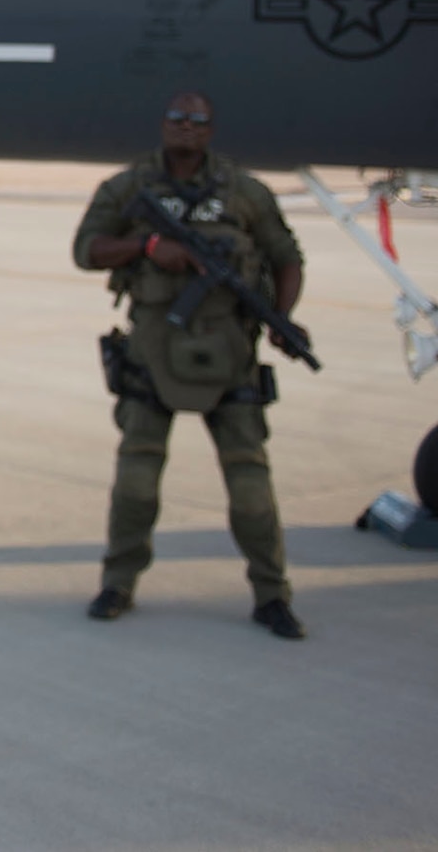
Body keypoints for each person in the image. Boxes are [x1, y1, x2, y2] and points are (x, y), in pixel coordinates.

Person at [72, 90, 308, 639]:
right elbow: (87, 249)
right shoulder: (128, 188)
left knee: (251, 486)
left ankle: (272, 595)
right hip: (151, 353)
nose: (187, 128)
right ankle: (118, 583)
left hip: (230, 352)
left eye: (198, 120)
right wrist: (148, 247)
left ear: (211, 129)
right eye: (177, 118)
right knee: (136, 482)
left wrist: (282, 317)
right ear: (163, 124)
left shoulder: (245, 192)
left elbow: (286, 257)